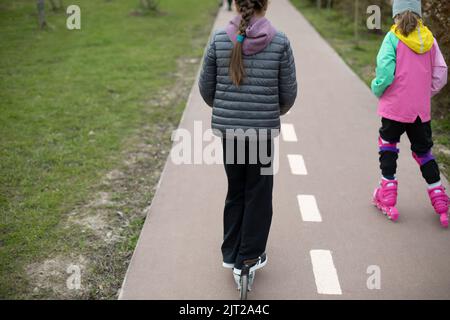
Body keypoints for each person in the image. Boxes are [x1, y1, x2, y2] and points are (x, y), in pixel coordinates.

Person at [198, 0, 297, 286]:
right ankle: (250, 256)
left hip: (230, 133)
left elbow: (206, 88)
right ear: (265, 4)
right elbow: (288, 92)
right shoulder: (279, 41)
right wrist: (268, 111)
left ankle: (231, 253)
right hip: (262, 134)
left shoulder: (219, 39)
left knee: (236, 190)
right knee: (259, 192)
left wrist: (228, 109)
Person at [371, 0, 448, 227]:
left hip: (394, 107)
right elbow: (441, 73)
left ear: (396, 14)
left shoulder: (392, 37)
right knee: (424, 152)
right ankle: (440, 200)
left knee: (388, 146)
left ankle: (387, 194)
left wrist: (377, 87)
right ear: (419, 14)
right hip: (419, 111)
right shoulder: (430, 40)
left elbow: (385, 72)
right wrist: (425, 93)